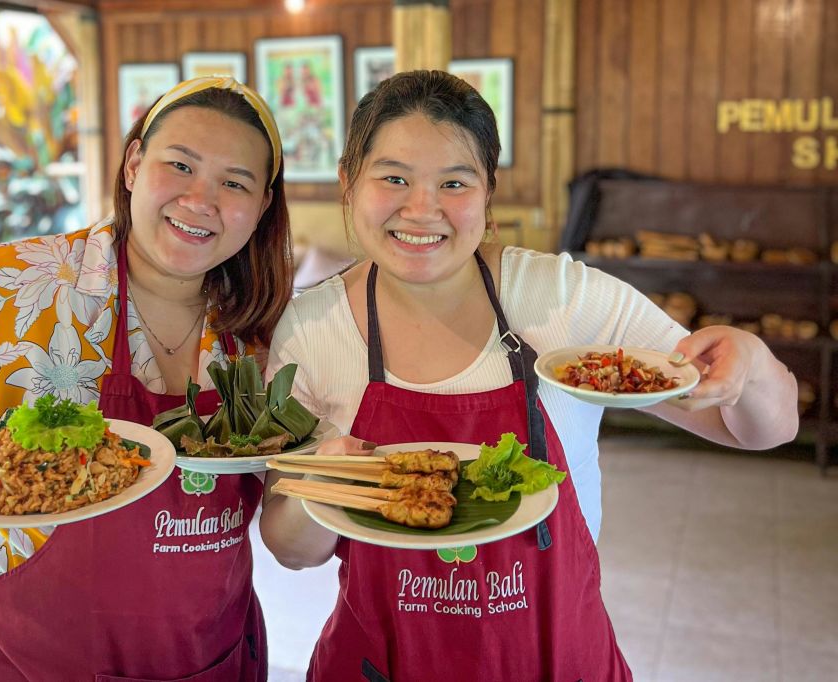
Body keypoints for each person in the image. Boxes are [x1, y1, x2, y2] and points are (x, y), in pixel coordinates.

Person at [259, 70, 798, 680]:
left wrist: (751, 363)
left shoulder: (566, 300)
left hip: (557, 662)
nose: (422, 209)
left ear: (489, 193)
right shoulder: (313, 326)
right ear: (348, 182)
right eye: (394, 178)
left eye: (454, 182)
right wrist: (325, 481)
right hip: (379, 664)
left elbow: (763, 429)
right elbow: (288, 549)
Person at [0, 76, 291, 682]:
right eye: (180, 165)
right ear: (133, 164)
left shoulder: (265, 330)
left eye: (234, 183)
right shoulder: (9, 287)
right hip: (11, 661)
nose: (200, 199)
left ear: (262, 206)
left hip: (205, 659)